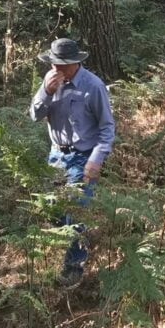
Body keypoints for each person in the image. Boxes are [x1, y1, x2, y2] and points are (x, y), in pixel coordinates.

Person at [29, 38, 115, 286]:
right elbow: (35, 115)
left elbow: (107, 127)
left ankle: (74, 266)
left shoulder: (93, 86)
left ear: (75, 63)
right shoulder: (50, 80)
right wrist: (46, 92)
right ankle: (61, 248)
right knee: (54, 209)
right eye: (54, 63)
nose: (56, 68)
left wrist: (96, 159)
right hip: (56, 156)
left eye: (61, 65)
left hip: (83, 155)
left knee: (76, 211)